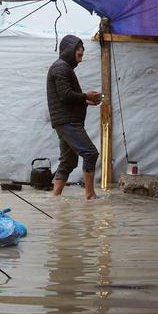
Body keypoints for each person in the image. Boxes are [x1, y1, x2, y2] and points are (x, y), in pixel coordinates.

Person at [46, 35, 102, 199]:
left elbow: (66, 96)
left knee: (68, 161)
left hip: (65, 120)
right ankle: (90, 195)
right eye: (78, 49)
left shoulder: (63, 67)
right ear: (69, 50)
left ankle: (55, 198)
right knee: (90, 153)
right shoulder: (61, 68)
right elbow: (65, 95)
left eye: (82, 49)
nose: (81, 52)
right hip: (67, 121)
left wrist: (85, 101)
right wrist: (86, 96)